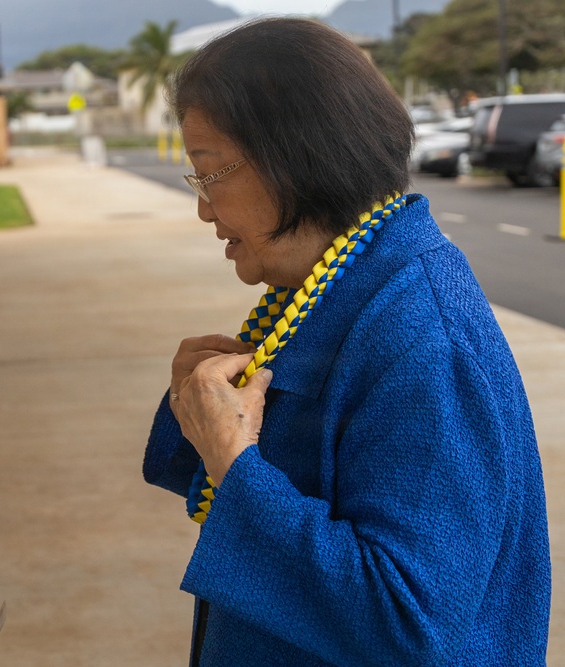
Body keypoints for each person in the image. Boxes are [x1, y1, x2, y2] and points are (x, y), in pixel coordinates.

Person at [142, 18, 550, 666]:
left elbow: (406, 623)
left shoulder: (423, 345)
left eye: (210, 173)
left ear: (295, 159)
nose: (204, 208)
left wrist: (234, 464)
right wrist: (201, 416)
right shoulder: (334, 290)